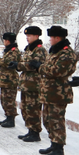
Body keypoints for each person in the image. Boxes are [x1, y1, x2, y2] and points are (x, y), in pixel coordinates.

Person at [34, 26, 77, 155]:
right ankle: (54, 143)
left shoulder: (66, 53)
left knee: (56, 121)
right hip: (49, 92)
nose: (50, 40)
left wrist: (39, 68)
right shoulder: (55, 52)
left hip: (59, 93)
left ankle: (59, 148)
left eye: (51, 37)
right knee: (48, 120)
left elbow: (56, 71)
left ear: (57, 38)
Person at [15, 26, 46, 139]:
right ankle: (30, 130)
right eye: (27, 36)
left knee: (33, 109)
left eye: (30, 35)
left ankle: (35, 132)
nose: (27, 38)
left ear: (36, 36)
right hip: (26, 84)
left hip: (34, 85)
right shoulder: (29, 49)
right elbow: (25, 63)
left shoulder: (39, 50)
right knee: (25, 108)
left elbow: (33, 65)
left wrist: (18, 65)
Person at [0, 32, 21, 128]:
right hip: (5, 80)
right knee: (4, 100)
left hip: (10, 80)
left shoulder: (14, 51)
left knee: (9, 100)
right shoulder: (8, 51)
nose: (4, 42)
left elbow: (6, 62)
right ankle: (7, 117)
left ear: (8, 40)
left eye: (5, 40)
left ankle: (11, 119)